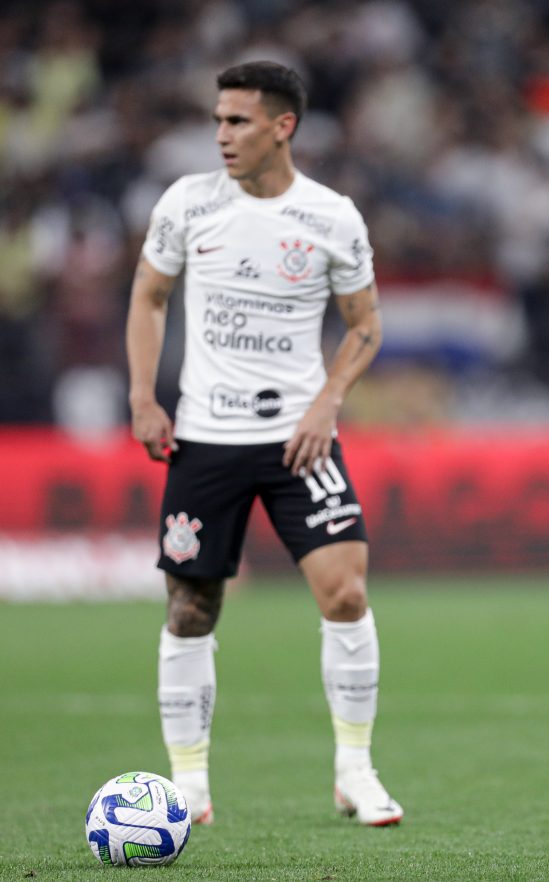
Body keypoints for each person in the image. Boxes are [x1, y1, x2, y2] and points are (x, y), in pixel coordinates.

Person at [126, 61, 402, 827]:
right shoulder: (187, 204)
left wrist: (327, 403)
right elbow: (149, 296)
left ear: (283, 126)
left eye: (238, 121)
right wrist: (144, 396)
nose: (221, 135)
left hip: (298, 441)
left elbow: (366, 324)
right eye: (217, 120)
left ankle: (356, 770)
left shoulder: (331, 217)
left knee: (346, 592)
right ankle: (188, 786)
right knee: (191, 609)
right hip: (205, 438)